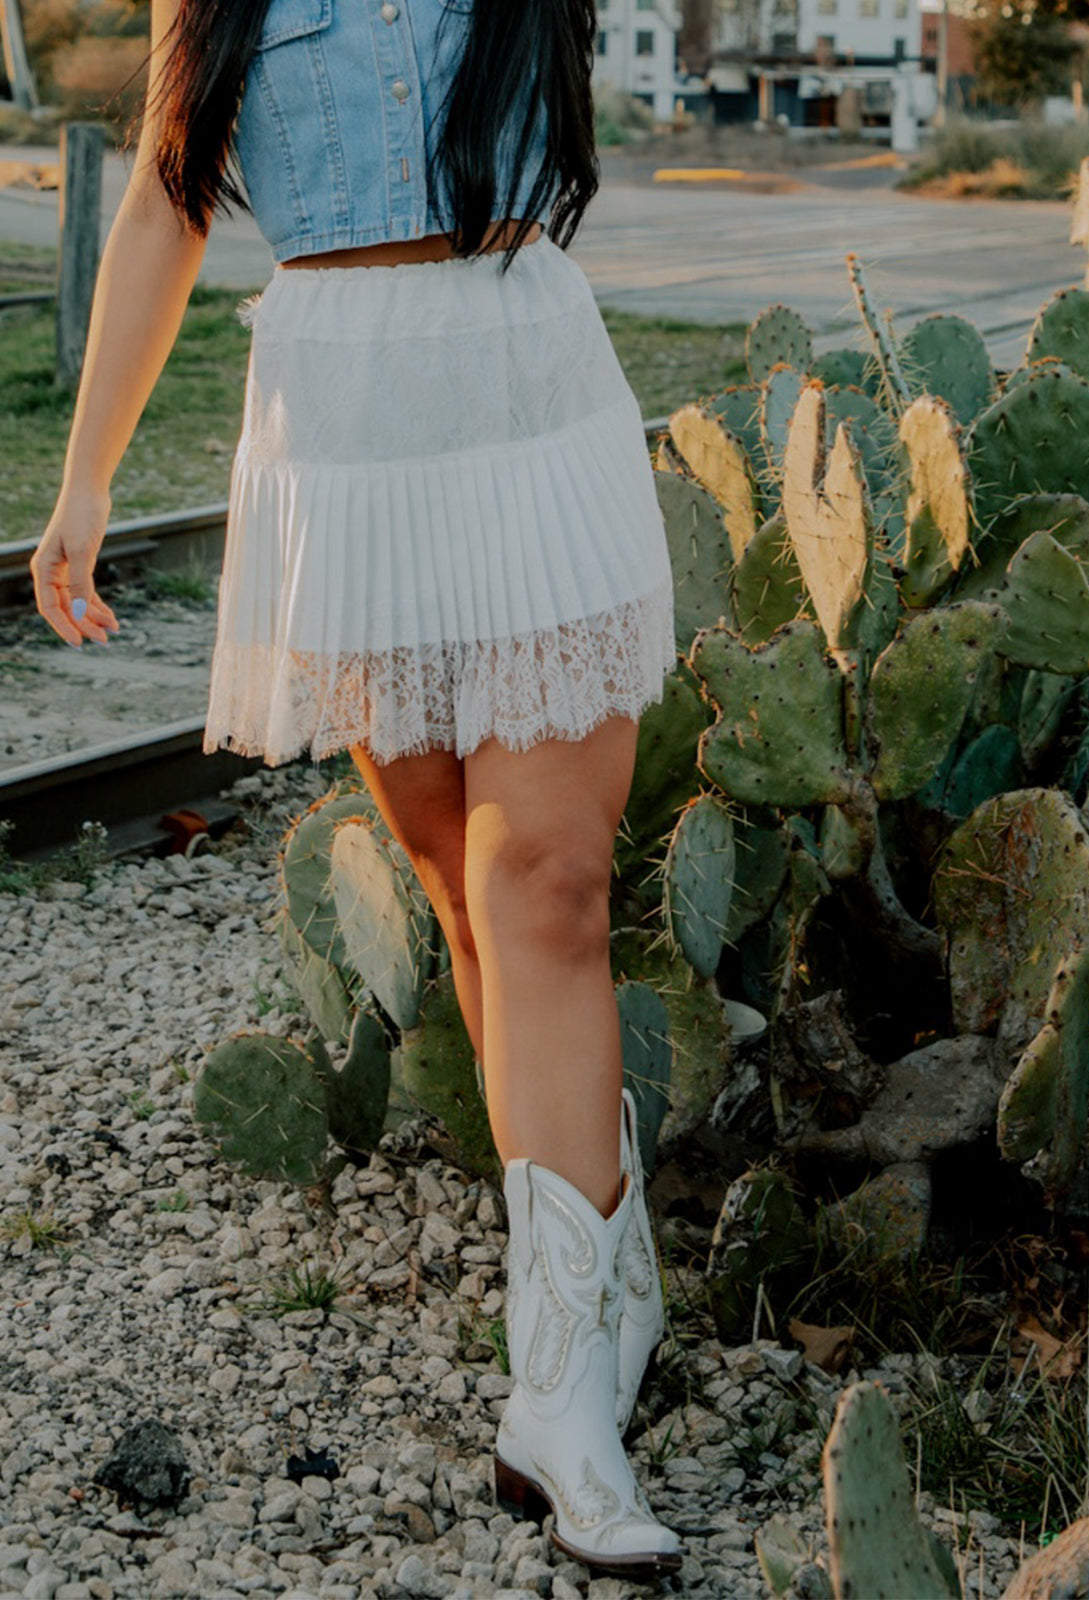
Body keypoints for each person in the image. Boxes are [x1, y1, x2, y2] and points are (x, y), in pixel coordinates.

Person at [28, 0, 682, 1579]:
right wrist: (86, 479)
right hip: (345, 423)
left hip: (529, 387)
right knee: (462, 882)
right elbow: (165, 203)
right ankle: (602, 1263)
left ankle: (559, 1404)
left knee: (551, 881)